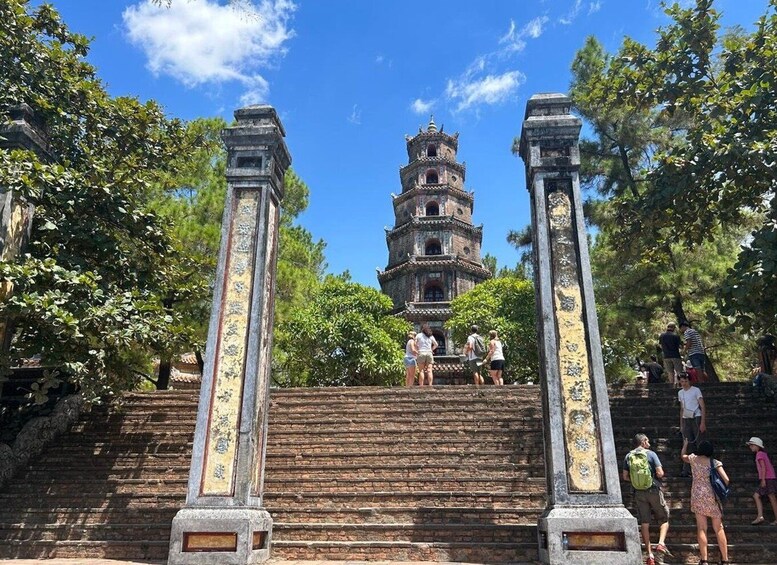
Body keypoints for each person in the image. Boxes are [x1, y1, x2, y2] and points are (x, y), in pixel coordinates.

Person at [622, 433, 673, 565]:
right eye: (648, 441)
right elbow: (660, 473)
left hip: (639, 492)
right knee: (664, 518)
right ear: (643, 442)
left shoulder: (629, 456)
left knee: (645, 522)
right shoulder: (651, 454)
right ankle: (661, 544)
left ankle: (649, 555)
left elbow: (625, 477)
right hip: (653, 489)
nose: (649, 444)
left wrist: (636, 480)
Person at [681, 439, 730, 565]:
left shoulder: (693, 459)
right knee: (719, 528)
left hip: (697, 495)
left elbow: (682, 456)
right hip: (712, 496)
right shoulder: (715, 462)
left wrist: (685, 445)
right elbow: (726, 479)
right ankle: (724, 559)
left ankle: (704, 560)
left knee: (702, 528)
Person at [678, 372, 706, 477]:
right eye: (681, 381)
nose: (684, 383)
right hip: (686, 418)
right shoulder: (680, 393)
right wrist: (681, 424)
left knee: (699, 442)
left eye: (685, 381)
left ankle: (703, 467)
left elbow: (702, 406)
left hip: (696, 417)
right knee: (687, 443)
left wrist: (703, 422)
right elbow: (681, 408)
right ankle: (687, 469)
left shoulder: (695, 390)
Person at [746, 437, 777, 525]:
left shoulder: (759, 454)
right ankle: (760, 516)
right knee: (760, 496)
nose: (750, 447)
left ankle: (762, 516)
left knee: (771, 497)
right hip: (769, 478)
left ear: (757, 446)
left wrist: (763, 480)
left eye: (752, 445)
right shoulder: (762, 454)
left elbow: (763, 467)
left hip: (767, 478)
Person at [659, 322, 684, 387]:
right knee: (679, 371)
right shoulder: (676, 336)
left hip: (666, 356)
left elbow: (660, 346)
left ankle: (672, 386)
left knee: (670, 372)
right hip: (675, 355)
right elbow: (681, 346)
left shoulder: (662, 336)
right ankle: (680, 385)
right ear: (674, 328)